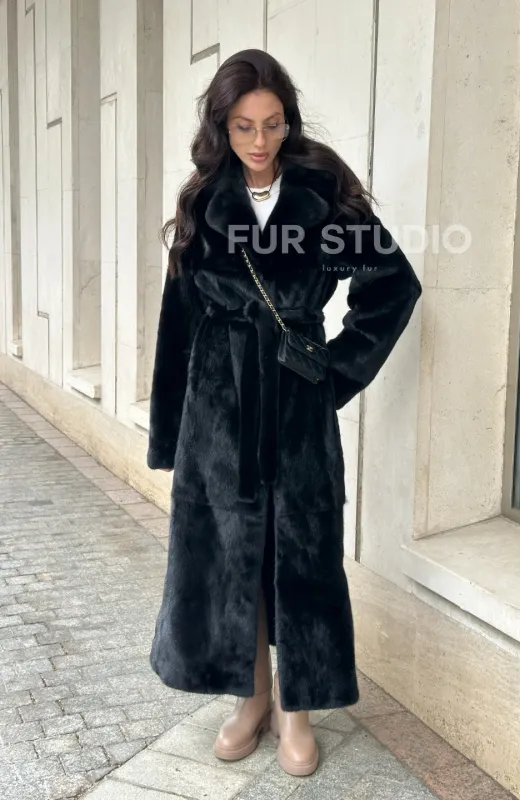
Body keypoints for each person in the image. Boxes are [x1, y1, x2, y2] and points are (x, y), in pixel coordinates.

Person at [146, 48, 422, 778]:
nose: (259, 140)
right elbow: (177, 324)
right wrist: (170, 433)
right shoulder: (203, 204)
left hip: (298, 408)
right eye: (243, 126)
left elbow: (393, 287)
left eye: (272, 124)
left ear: (289, 122)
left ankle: (296, 710)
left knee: (299, 555)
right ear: (222, 127)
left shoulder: (322, 197)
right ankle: (252, 698)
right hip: (218, 411)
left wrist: (331, 375)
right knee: (233, 553)